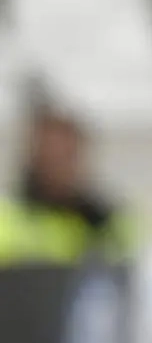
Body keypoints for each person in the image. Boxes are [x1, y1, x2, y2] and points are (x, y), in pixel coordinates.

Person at [0, 105, 134, 265]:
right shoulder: (7, 218)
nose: (58, 167)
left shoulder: (108, 220)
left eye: (66, 156)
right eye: (50, 156)